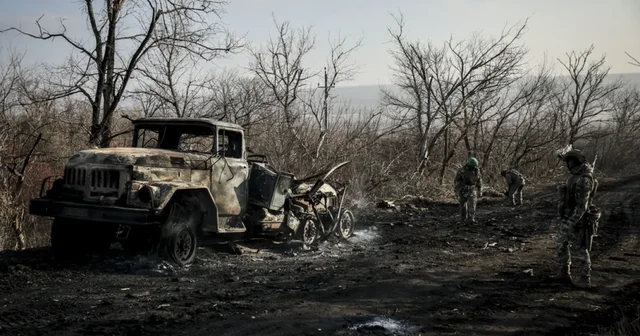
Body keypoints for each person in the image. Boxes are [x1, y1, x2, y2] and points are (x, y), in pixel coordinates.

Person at [551, 149, 601, 288]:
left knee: (580, 249)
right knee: (562, 244)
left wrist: (570, 223)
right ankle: (564, 273)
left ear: (575, 162)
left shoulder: (584, 179)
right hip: (568, 216)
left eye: (569, 161)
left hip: (579, 219)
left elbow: (582, 207)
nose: (567, 164)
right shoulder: (574, 176)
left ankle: (585, 278)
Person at [454, 157, 483, 224]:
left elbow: (479, 181)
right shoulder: (462, 170)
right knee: (463, 205)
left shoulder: (476, 171)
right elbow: (456, 180)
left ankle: (471, 219)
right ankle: (463, 219)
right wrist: (456, 190)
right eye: (472, 166)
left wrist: (480, 190)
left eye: (474, 166)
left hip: (472, 190)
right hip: (463, 190)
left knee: (472, 205)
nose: (473, 168)